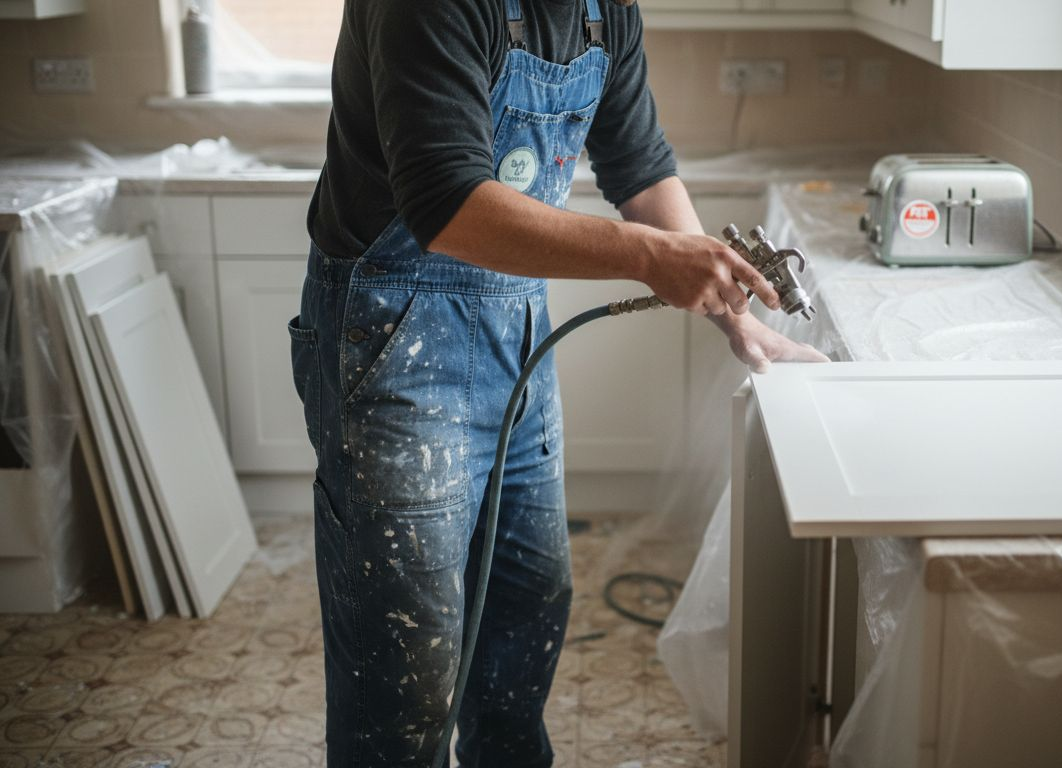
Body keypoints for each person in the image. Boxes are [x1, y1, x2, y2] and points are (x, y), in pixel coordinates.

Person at [288, 0, 826, 764]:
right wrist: (645, 257)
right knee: (406, 658)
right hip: (393, 334)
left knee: (524, 613)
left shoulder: (604, 11)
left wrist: (733, 313)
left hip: (515, 333)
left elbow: (640, 169)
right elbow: (444, 203)